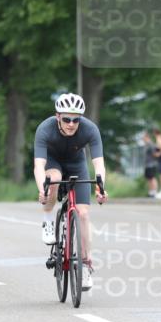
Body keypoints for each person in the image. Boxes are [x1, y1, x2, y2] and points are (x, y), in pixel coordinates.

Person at [33, 93, 108, 291]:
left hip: (77, 164)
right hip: (53, 162)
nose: (71, 124)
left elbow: (98, 163)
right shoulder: (45, 129)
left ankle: (85, 263)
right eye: (66, 119)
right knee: (54, 179)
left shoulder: (90, 129)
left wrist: (101, 187)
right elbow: (38, 166)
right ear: (58, 116)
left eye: (76, 119)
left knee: (83, 214)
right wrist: (43, 189)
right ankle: (48, 219)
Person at [142, 131, 159, 197]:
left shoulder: (151, 144)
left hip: (152, 164)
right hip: (147, 165)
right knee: (149, 178)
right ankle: (151, 191)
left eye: (143, 138)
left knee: (152, 178)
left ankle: (155, 191)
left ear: (147, 137)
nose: (143, 139)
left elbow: (155, 153)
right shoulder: (146, 145)